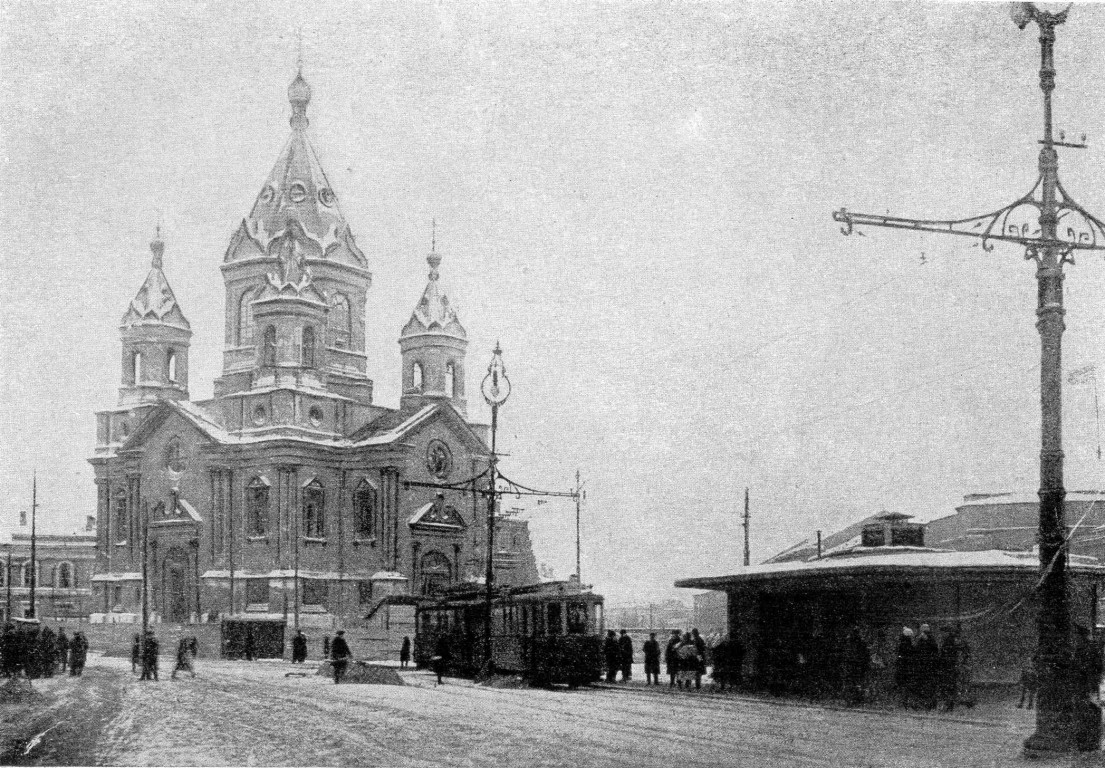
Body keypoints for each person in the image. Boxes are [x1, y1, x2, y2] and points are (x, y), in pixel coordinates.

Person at [841, 627, 870, 706]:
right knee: (857, 683)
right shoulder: (861, 643)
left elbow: (846, 654)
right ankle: (857, 699)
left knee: (851, 682)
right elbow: (866, 655)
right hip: (858, 665)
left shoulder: (849, 642)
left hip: (851, 664)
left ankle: (851, 699)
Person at [913, 623, 939, 710]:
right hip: (929, 666)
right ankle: (930, 703)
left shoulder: (924, 638)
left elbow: (917, 650)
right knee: (929, 686)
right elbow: (935, 650)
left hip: (924, 666)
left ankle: (926, 703)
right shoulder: (931, 638)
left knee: (924, 685)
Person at [937, 627, 960, 712]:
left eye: (943, 633)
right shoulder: (950, 641)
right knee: (949, 687)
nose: (941, 635)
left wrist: (942, 662)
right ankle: (949, 705)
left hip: (947, 668)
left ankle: (948, 705)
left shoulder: (948, 642)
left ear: (946, 633)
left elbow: (947, 656)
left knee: (947, 687)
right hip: (949, 668)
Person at [895, 627, 915, 707]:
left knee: (902, 684)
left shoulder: (902, 644)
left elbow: (900, 655)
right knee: (906, 685)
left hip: (902, 667)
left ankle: (903, 701)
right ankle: (905, 701)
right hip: (907, 667)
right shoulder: (910, 645)